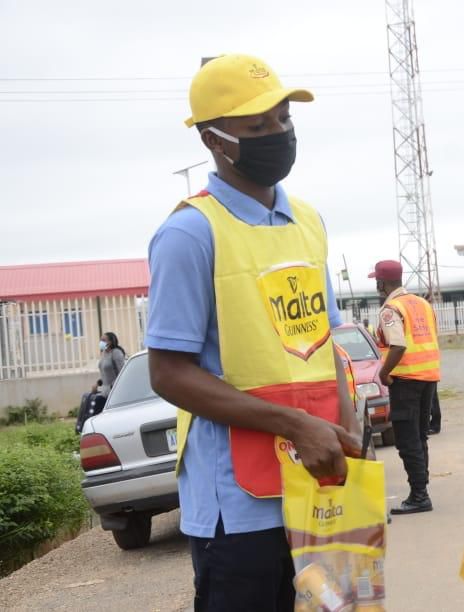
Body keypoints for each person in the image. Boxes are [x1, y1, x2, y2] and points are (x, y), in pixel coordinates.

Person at [145, 54, 361, 612]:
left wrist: (345, 423)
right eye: (258, 126)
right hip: (239, 506)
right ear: (215, 141)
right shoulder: (189, 234)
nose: (280, 134)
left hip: (318, 482)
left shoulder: (308, 221)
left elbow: (324, 340)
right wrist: (295, 424)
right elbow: (168, 373)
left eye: (285, 119)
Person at [369, 260, 441, 515]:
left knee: (407, 439)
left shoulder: (391, 309)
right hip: (428, 378)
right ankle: (421, 490)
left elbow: (398, 345)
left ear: (381, 283)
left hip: (406, 381)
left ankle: (420, 495)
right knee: (420, 437)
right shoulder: (423, 304)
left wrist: (384, 373)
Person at [76, 332, 125, 433]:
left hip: (114, 392)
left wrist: (112, 387)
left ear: (111, 342)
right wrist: (98, 384)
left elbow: (122, 373)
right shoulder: (104, 354)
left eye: (104, 340)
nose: (101, 342)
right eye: (101, 340)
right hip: (104, 392)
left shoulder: (116, 353)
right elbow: (105, 374)